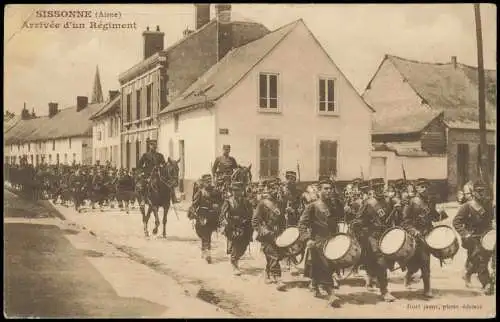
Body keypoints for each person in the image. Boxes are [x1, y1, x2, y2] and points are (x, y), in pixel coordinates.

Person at [298, 177, 343, 308]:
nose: (329, 191)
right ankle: (330, 293)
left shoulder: (334, 205)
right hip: (318, 241)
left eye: (330, 189)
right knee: (325, 265)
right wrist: (307, 238)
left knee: (326, 265)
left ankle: (314, 283)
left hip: (332, 240)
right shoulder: (312, 206)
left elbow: (341, 216)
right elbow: (302, 224)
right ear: (319, 190)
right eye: (326, 189)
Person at [351, 178, 397, 302]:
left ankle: (371, 279)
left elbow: (398, 215)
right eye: (377, 187)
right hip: (372, 235)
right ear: (373, 189)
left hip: (386, 235)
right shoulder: (369, 203)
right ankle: (384, 291)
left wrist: (399, 206)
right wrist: (360, 227)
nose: (380, 189)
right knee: (380, 261)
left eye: (381, 187)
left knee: (381, 261)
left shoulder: (389, 200)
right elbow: (358, 219)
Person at [401, 178, 448, 298]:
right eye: (421, 186)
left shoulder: (430, 201)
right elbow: (405, 222)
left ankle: (427, 289)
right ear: (417, 188)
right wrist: (414, 231)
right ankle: (409, 275)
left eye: (426, 186)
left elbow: (434, 217)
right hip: (415, 236)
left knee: (425, 261)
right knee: (415, 263)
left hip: (427, 234)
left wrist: (442, 213)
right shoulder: (411, 202)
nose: (424, 189)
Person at [452, 181, 494, 295]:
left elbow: (491, 219)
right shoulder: (467, 206)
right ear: (473, 193)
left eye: (483, 191)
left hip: (486, 236)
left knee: (478, 260)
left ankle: (467, 273)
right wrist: (465, 234)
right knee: (480, 260)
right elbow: (456, 222)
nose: (481, 193)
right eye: (478, 191)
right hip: (472, 237)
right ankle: (487, 284)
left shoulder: (488, 204)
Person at [252, 183, 287, 291]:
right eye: (272, 188)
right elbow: (255, 220)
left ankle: (267, 272)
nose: (275, 190)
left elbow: (282, 220)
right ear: (268, 189)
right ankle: (277, 278)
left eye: (276, 188)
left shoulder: (280, 203)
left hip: (277, 234)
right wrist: (263, 231)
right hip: (267, 234)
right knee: (273, 255)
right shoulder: (263, 203)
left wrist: (283, 231)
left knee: (277, 254)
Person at [220, 181, 253, 275]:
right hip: (233, 226)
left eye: (238, 190)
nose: (236, 192)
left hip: (244, 225)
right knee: (236, 244)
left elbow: (251, 212)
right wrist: (225, 223)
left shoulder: (245, 201)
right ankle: (234, 263)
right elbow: (222, 215)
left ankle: (236, 257)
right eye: (234, 190)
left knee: (244, 246)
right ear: (232, 191)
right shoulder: (228, 201)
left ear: (241, 191)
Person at [189, 174, 222, 264]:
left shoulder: (215, 192)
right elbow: (194, 204)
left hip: (212, 217)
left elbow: (221, 202)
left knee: (207, 234)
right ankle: (205, 249)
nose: (209, 182)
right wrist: (192, 212)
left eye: (209, 180)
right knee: (202, 234)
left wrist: (218, 206)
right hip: (202, 217)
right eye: (207, 181)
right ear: (203, 182)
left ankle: (207, 253)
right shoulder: (200, 192)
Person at [138, 139, 178, 203]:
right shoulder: (145, 155)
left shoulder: (160, 155)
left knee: (169, 183)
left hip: (159, 173)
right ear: (149, 146)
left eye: (154, 145)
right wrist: (143, 171)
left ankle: (174, 198)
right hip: (148, 174)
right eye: (151, 145)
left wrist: (164, 165)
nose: (153, 147)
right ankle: (143, 199)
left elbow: (163, 164)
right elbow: (139, 165)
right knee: (143, 185)